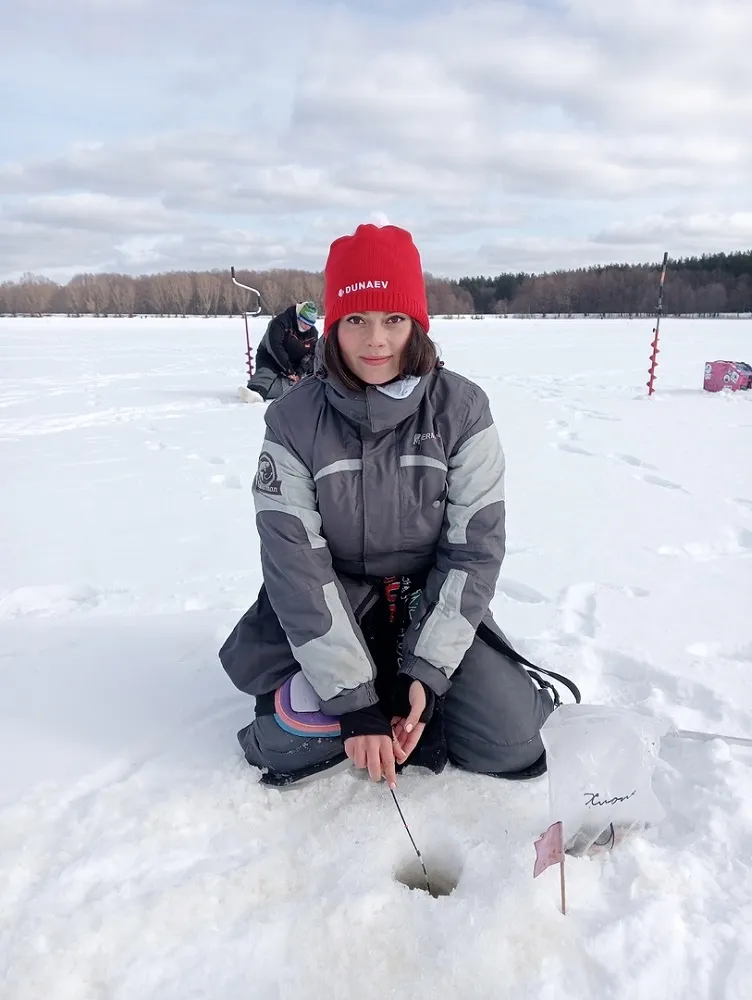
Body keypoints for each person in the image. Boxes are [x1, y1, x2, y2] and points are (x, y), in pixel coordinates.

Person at [220, 224, 558, 788]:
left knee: (510, 742)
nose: (375, 339)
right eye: (356, 319)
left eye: (393, 320)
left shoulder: (463, 411)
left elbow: (473, 553)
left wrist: (423, 672)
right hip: (336, 602)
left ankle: (427, 689)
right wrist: (352, 702)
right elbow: (295, 566)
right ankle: (344, 687)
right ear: (333, 328)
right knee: (287, 745)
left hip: (429, 602)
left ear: (416, 326)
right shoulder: (292, 422)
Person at [246, 300, 319, 400]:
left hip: (295, 366)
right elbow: (275, 346)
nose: (306, 327)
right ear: (298, 316)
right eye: (304, 322)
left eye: (310, 324)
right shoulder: (280, 322)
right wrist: (288, 369)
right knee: (266, 374)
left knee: (311, 376)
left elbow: (312, 355)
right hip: (271, 359)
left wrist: (299, 372)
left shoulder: (313, 333)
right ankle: (256, 391)